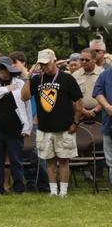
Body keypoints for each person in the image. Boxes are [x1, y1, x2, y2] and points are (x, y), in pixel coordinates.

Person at [21, 48, 83, 197]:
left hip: (64, 127)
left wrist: (75, 123)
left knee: (63, 160)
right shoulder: (37, 79)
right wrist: (29, 77)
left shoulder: (66, 78)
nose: (43, 67)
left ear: (54, 61)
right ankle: (53, 191)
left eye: (46, 64)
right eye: (41, 64)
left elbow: (78, 102)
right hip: (44, 127)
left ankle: (63, 191)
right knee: (49, 160)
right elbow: (24, 97)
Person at [0, 57, 31, 195]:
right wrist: (5, 89)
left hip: (15, 127)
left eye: (3, 68)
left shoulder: (20, 84)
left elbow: (26, 107)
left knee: (16, 160)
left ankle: (19, 188)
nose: (1, 71)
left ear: (10, 70)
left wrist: (27, 127)